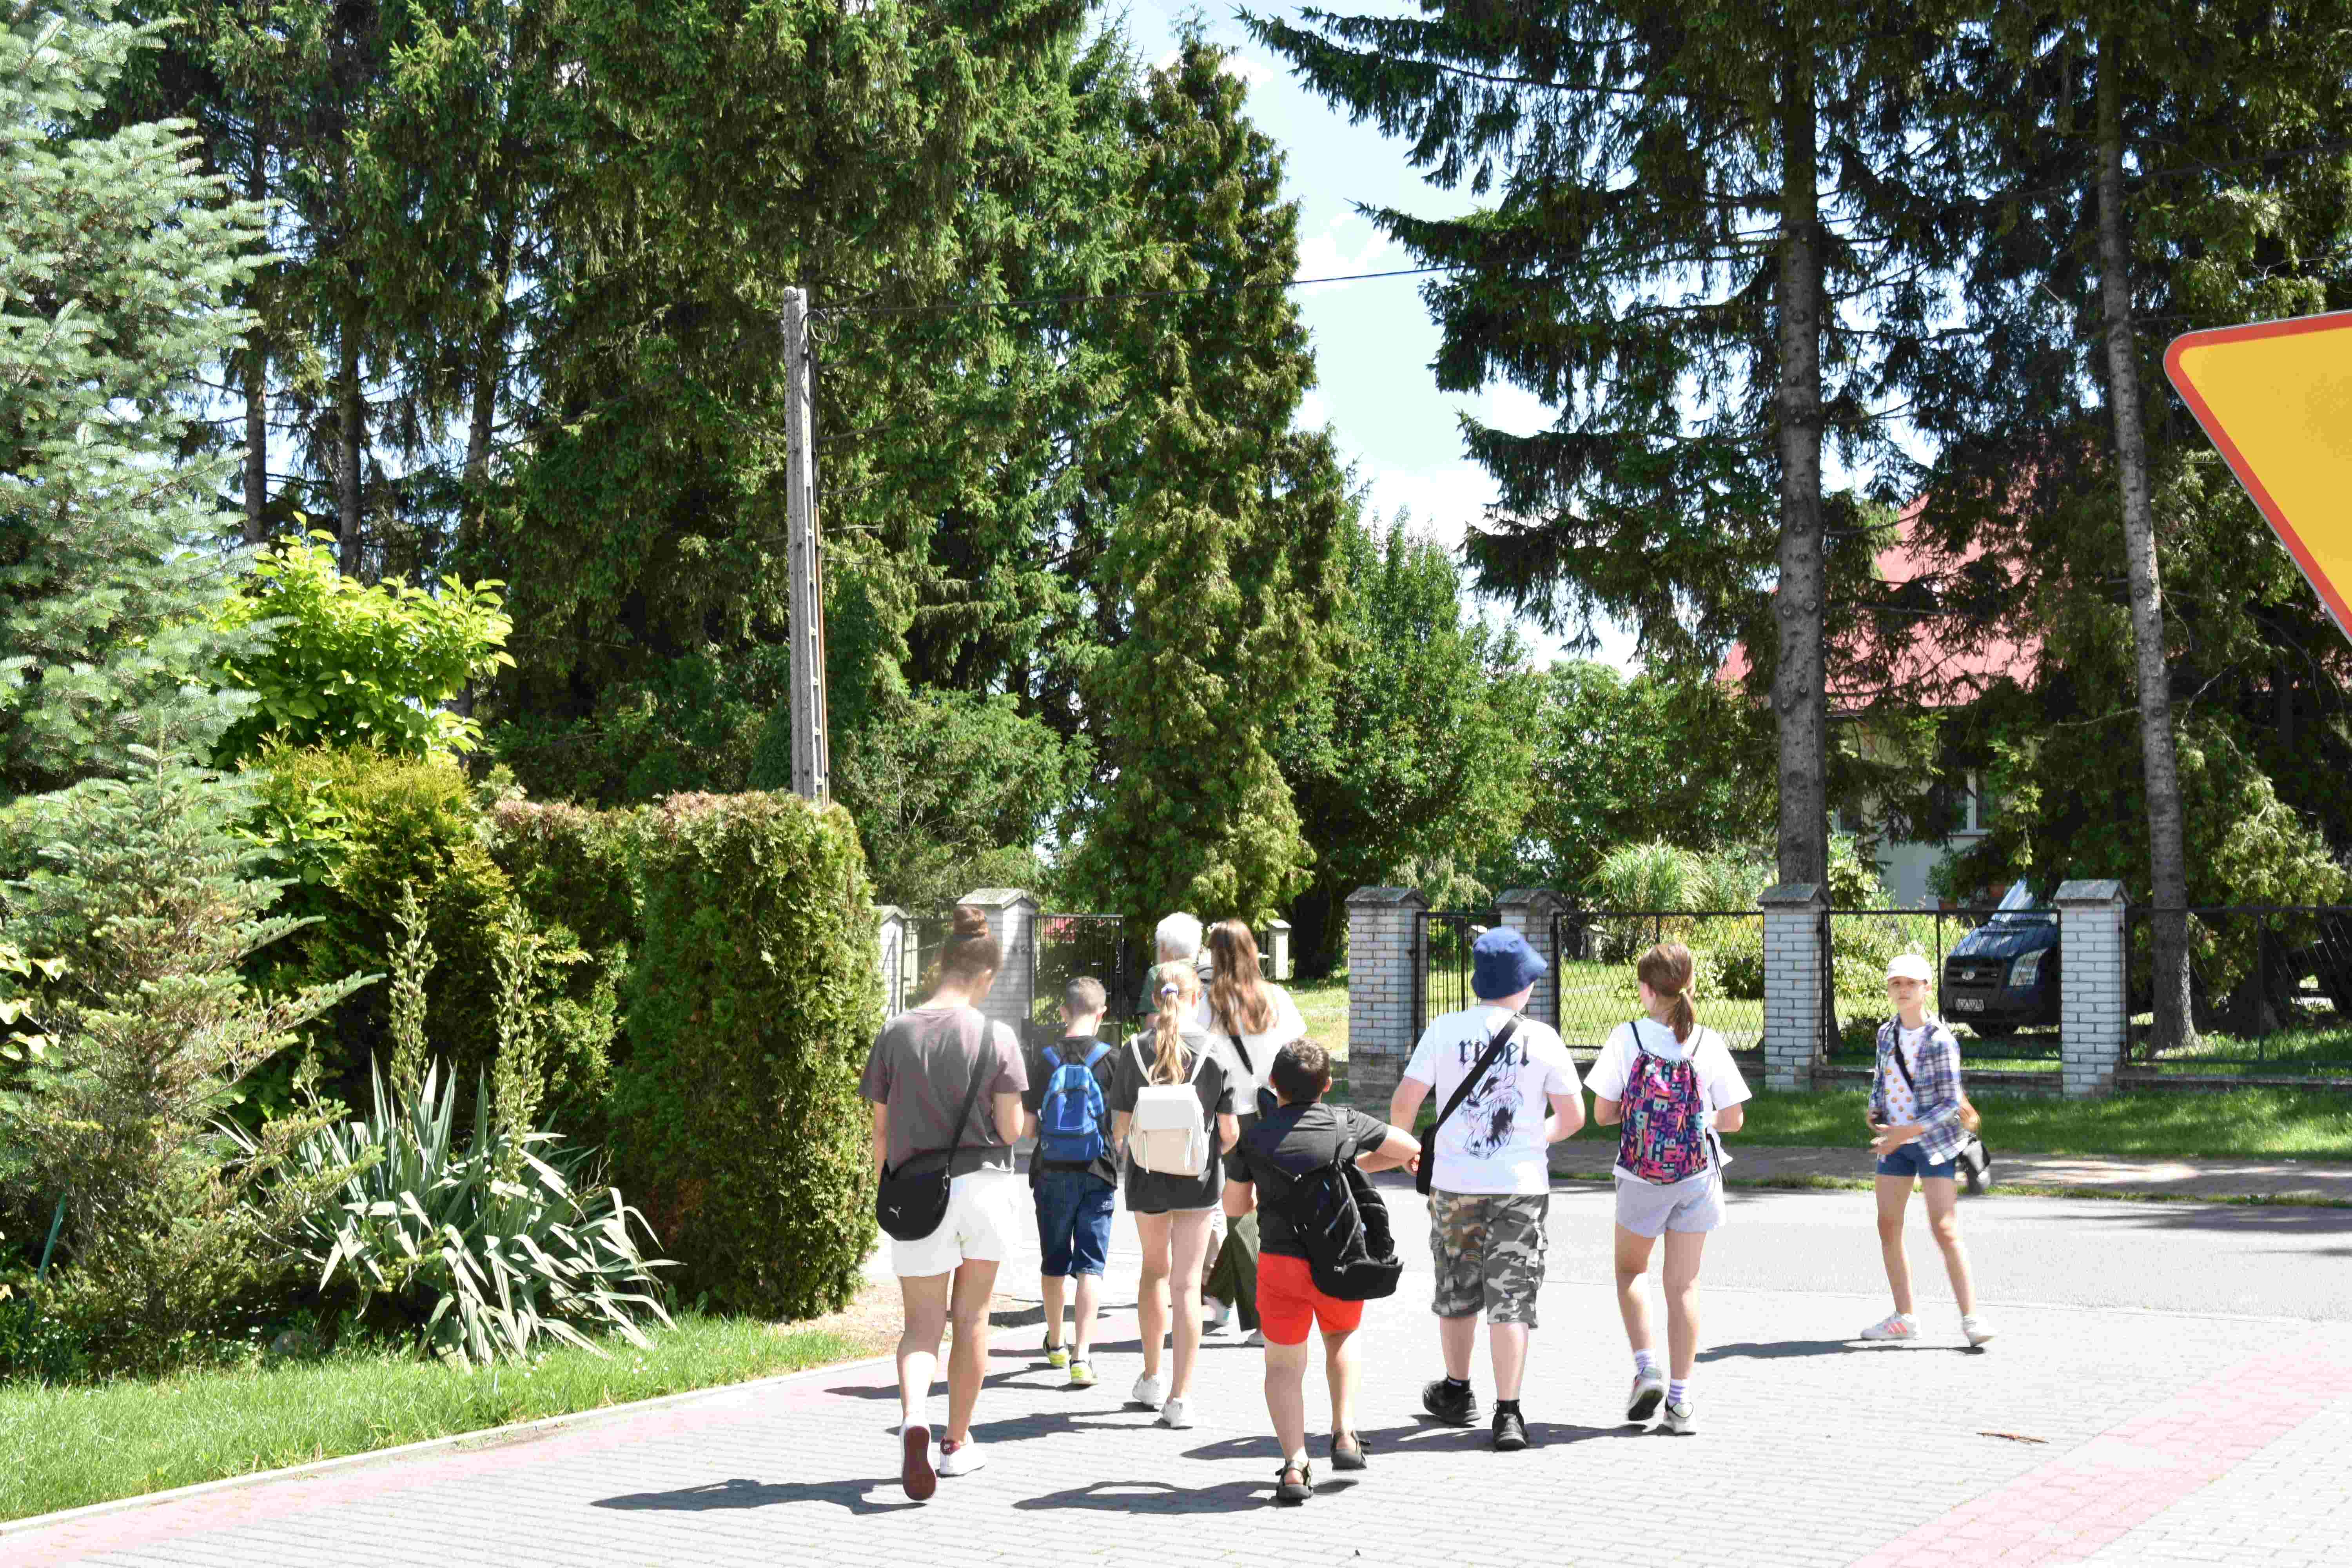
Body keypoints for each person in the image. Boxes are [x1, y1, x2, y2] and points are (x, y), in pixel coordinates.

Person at [1390, 926, 1584, 1452]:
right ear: (1523, 985)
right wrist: (1535, 1138)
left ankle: (1457, 1391)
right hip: (1521, 1186)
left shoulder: (1443, 1029)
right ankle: (1509, 1413)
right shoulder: (1543, 1038)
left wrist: (1406, 1149)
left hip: (1454, 1184)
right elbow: (1573, 1117)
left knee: (1456, 1290)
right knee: (1511, 1296)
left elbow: (1405, 1102)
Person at [860, 905, 1028, 1500]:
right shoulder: (997, 1036)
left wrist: (887, 1185)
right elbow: (1010, 1130)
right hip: (984, 1188)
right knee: (973, 1319)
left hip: (917, 1191)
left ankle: (914, 1418)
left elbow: (881, 1130)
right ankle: (956, 1444)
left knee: (921, 1327)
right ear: (986, 975)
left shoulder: (896, 1032)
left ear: (940, 963)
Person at [1233, 1041, 1421, 1504]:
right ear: (1328, 1084)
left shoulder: (1254, 1137)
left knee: (1283, 1366)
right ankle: (1345, 1434)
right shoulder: (1344, 1121)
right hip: (1338, 1257)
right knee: (1340, 1338)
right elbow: (1408, 1148)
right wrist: (1354, 1164)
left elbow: (1235, 1206)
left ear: (1273, 1084)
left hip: (1280, 1264)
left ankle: (1295, 1465)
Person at [1584, 942, 1751, 1436]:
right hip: (1697, 1175)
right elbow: (1735, 1119)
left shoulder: (1626, 1038)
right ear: (1689, 986)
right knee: (1684, 1286)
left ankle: (1647, 1368)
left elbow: (1603, 1114)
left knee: (1631, 1271)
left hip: (1641, 1174)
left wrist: (1642, 1113)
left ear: (1646, 990)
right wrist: (1699, 1118)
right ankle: (1680, 1403)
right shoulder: (1707, 1042)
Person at [1109, 960, 1238, 1430]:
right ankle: (1181, 1398)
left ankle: (1151, 1377)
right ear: (1196, 997)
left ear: (1154, 998)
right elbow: (1230, 1132)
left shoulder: (1133, 1050)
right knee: (1187, 1285)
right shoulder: (1215, 1051)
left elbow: (1119, 1129)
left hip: (1146, 1176)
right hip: (1197, 1179)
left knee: (1154, 1271)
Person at [1859, 953, 1996, 1348]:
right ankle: (1905, 1317)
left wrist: (1907, 1132)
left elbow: (1951, 1104)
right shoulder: (1886, 1034)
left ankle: (1972, 1319)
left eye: (1911, 983)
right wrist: (1875, 1110)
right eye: (1896, 983)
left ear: (1926, 988)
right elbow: (1881, 1079)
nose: (1903, 990)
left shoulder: (1940, 1040)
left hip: (1934, 1145)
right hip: (1895, 1145)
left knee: (1944, 1227)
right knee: (1888, 1225)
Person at [1201, 920, 1308, 1343]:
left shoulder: (1209, 1004)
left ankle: (1263, 1319)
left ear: (1215, 956)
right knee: (1262, 1210)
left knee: (1240, 1215)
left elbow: (1195, 1055)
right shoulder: (1277, 997)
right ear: (1253, 951)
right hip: (1276, 1111)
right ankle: (1220, 1295)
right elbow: (1301, 1051)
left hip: (1230, 1116)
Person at [1023, 977, 1119, 1388]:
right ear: (1102, 1014)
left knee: (1054, 1261)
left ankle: (1056, 1344)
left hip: (1051, 1172)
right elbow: (1121, 1127)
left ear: (1063, 1011)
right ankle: (1082, 1357)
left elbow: (1028, 1129)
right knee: (1090, 1266)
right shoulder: (1112, 1060)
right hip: (1098, 1171)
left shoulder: (1043, 1059)